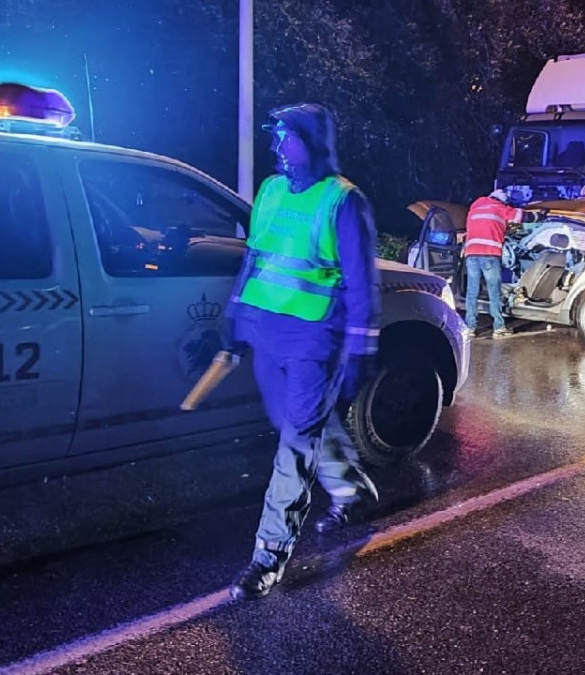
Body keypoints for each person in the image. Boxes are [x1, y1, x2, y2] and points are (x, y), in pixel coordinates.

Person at [224, 102, 381, 600]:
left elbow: (362, 284)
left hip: (315, 340)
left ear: (311, 142)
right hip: (266, 335)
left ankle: (268, 555)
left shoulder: (342, 201)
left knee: (294, 444)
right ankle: (350, 487)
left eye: (284, 138)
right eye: (274, 138)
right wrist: (231, 317)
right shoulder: (270, 191)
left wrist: (359, 350)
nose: (276, 148)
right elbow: (254, 260)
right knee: (295, 425)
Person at [461, 189, 541, 338]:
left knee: (472, 292)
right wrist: (539, 215)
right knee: (494, 291)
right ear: (502, 201)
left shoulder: (475, 206)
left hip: (471, 253)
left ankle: (470, 328)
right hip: (490, 254)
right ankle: (498, 327)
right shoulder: (499, 207)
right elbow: (521, 216)